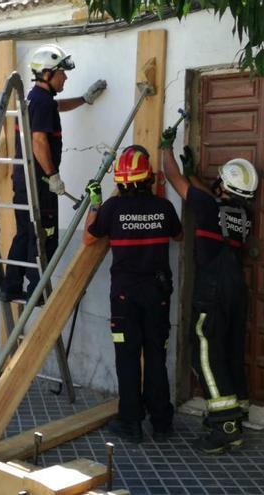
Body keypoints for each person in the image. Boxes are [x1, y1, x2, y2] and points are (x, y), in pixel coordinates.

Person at [160, 127, 259, 454]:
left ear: (225, 185)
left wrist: (166, 147)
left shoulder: (206, 205)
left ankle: (225, 427)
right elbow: (209, 196)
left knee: (205, 353)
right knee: (230, 350)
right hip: (236, 288)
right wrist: (195, 175)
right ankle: (236, 412)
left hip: (213, 288)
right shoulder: (244, 213)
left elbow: (170, 176)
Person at [83, 145, 182, 443]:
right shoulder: (164, 208)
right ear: (148, 177)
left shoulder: (112, 209)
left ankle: (131, 423)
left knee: (127, 358)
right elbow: (178, 234)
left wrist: (95, 204)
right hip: (158, 294)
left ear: (122, 181)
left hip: (125, 297)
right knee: (155, 356)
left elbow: (89, 239)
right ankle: (162, 423)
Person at [0, 44, 108, 303]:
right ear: (48, 73)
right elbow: (39, 142)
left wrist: (84, 99)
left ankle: (11, 287)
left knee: (25, 232)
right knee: (44, 234)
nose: (65, 77)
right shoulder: (43, 103)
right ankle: (36, 291)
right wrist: (53, 175)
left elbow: (57, 106)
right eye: (62, 72)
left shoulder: (35, 99)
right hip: (40, 182)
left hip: (25, 181)